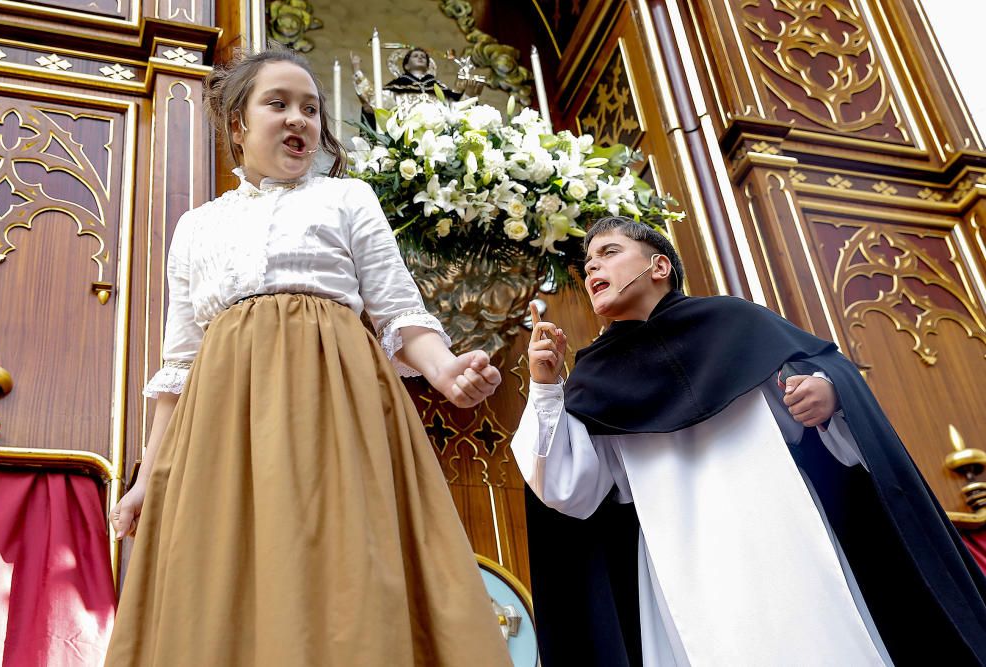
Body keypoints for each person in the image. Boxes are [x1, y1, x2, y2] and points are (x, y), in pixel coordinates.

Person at [106, 47, 512, 666]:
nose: (299, 119)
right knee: (222, 577)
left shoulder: (347, 199)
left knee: (343, 564)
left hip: (336, 408)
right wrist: (144, 482)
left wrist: (446, 371)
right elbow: (179, 368)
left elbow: (400, 311)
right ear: (237, 124)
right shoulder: (196, 227)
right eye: (278, 104)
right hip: (224, 425)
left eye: (311, 109)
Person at [512, 215, 986, 666]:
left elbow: (825, 397)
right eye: (588, 262)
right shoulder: (593, 374)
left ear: (659, 266)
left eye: (609, 252)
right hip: (679, 563)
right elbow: (566, 489)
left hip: (781, 531)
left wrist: (828, 394)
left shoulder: (735, 323)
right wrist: (545, 385)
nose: (592, 266)